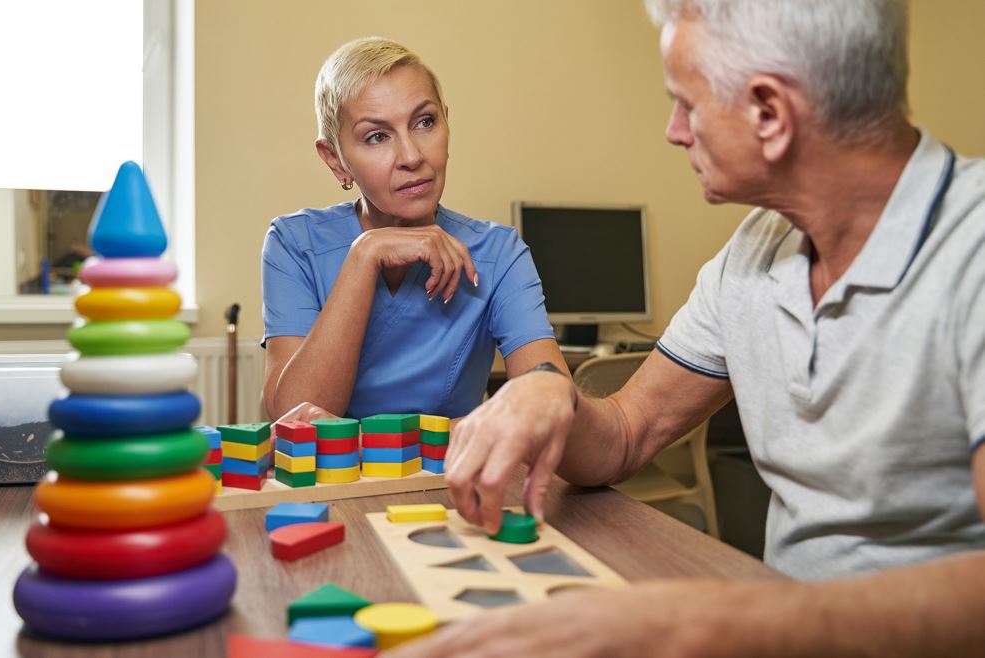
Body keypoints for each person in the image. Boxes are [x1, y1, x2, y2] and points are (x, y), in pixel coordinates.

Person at [389, 1, 985, 656]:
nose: (674, 132)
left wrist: (717, 621)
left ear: (768, 114)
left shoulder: (973, 247)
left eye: (686, 105)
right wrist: (552, 392)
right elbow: (623, 435)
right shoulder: (755, 250)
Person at [262, 37, 566, 423]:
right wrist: (365, 254)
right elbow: (293, 420)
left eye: (425, 122)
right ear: (336, 162)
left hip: (450, 478)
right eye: (377, 136)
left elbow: (551, 406)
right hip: (334, 484)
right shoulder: (294, 244)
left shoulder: (500, 254)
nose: (412, 156)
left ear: (447, 123)